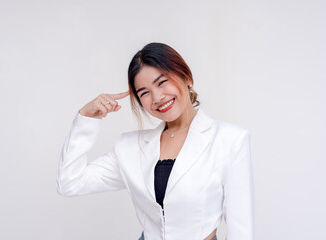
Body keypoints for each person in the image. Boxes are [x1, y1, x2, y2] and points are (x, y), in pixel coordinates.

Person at [57, 42, 255, 240]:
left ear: (186, 77)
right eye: (144, 93)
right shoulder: (129, 148)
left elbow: (242, 231)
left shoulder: (230, 140)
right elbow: (69, 183)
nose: (158, 97)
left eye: (162, 82)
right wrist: (86, 118)